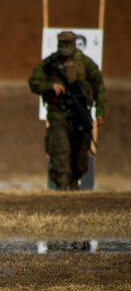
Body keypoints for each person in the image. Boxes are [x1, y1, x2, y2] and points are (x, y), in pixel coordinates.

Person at [28, 31, 106, 190]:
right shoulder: (50, 64)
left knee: (79, 154)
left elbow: (99, 87)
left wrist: (100, 112)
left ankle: (73, 184)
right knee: (60, 150)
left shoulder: (85, 63)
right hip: (58, 114)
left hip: (79, 114)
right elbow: (34, 81)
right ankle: (63, 188)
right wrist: (50, 87)